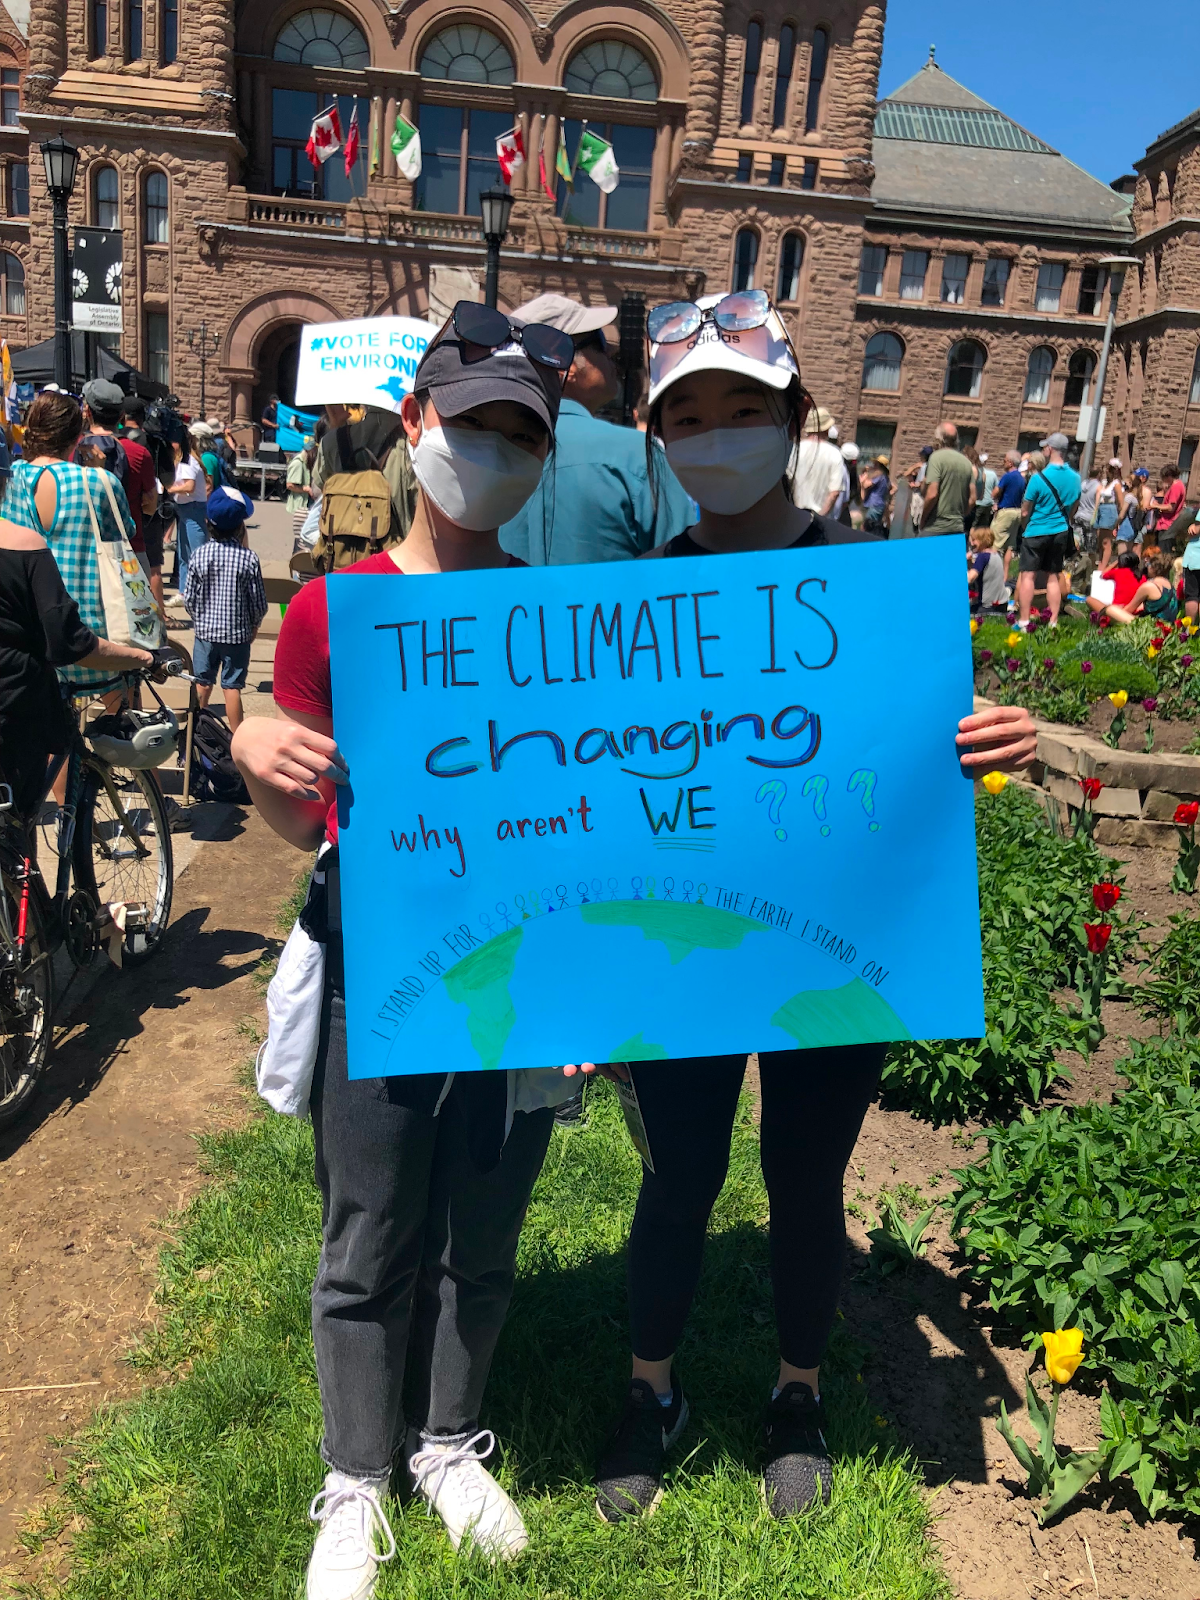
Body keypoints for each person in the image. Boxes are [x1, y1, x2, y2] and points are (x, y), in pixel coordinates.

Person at [565, 290, 1036, 1527]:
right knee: (678, 1175)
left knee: (806, 1174)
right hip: (685, 943)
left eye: (742, 408)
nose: (714, 435)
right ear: (658, 438)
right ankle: (652, 1388)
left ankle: (797, 1392)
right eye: (687, 418)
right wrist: (586, 970)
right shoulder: (630, 607)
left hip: (832, 941)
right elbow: (597, 797)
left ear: (795, 416)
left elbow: (923, 743)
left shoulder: (876, 589)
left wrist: (988, 738)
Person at [231, 318, 582, 1596]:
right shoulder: (333, 612)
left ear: (542, 459)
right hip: (379, 964)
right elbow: (306, 820)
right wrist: (255, 747)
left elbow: (596, 816)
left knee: (482, 1224)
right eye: (471, 422)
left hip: (519, 973)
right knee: (369, 1227)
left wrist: (587, 989)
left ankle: (445, 1442)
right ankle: (356, 1473)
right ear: (417, 423)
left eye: (519, 435)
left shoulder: (559, 622)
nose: (491, 451)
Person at [499, 292, 694, 564]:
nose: (612, 352)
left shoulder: (485, 453)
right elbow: (688, 573)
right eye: (599, 342)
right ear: (563, 364)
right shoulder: (639, 458)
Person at [0, 515, 158, 818]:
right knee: (16, 823)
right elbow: (68, 642)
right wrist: (144, 658)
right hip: (14, 709)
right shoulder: (24, 545)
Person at [1, 391, 147, 702]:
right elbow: (125, 532)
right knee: (118, 709)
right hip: (91, 636)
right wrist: (101, 470)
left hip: (29, 638)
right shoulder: (97, 482)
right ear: (76, 435)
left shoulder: (12, 479)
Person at [183, 485, 266, 733]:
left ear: (208, 523)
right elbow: (258, 602)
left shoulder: (199, 555)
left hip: (205, 634)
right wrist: (253, 625)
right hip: (237, 635)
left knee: (202, 683)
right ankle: (236, 737)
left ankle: (195, 731)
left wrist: (199, 619)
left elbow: (190, 598)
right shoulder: (248, 559)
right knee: (232, 687)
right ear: (241, 526)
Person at [1014, 433, 1079, 628]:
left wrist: (1024, 527)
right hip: (1060, 531)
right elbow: (1074, 506)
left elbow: (1025, 511)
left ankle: (1024, 620)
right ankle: (1053, 621)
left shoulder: (1038, 478)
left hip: (1036, 530)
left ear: (1050, 449)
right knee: (1053, 576)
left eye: (1045, 447)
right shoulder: (1076, 478)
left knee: (1028, 575)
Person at [167, 432, 208, 596]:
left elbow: (189, 486)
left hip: (193, 509)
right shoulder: (185, 461)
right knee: (184, 554)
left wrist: (170, 489)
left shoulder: (188, 462)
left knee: (197, 554)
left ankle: (201, 592)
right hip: (185, 509)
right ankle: (184, 591)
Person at [920, 422, 975, 536]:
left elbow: (932, 495)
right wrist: (960, 517)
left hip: (935, 527)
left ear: (938, 439)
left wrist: (923, 519)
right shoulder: (967, 463)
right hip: (957, 527)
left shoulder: (936, 457)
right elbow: (973, 499)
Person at [790, 406, 843, 517]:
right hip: (820, 517)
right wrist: (819, 518)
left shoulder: (794, 449)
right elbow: (834, 493)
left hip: (794, 515)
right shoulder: (834, 453)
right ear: (827, 429)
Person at [991, 449, 1026, 581]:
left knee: (995, 543)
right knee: (1009, 547)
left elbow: (995, 492)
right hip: (1017, 512)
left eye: (1004, 460)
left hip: (1005, 512)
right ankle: (1005, 576)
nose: (1003, 463)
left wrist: (994, 495)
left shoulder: (1007, 476)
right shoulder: (1021, 478)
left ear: (1010, 463)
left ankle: (992, 575)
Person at [1094, 460, 1125, 572]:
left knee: (1106, 541)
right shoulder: (1105, 483)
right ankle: (1100, 562)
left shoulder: (1116, 484)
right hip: (1101, 510)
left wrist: (1119, 520)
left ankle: (1103, 567)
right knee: (1100, 540)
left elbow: (1121, 503)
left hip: (1109, 511)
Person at [968, 525, 1008, 613]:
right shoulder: (996, 554)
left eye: (974, 540)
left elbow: (969, 578)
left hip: (988, 606)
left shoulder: (982, 557)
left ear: (982, 540)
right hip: (1002, 604)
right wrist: (969, 562)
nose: (972, 543)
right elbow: (982, 572)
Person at [286, 435, 316, 542]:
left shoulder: (307, 461)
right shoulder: (298, 463)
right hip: (300, 505)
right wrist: (305, 489)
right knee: (300, 536)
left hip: (306, 503)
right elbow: (289, 485)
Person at [1150, 464, 1185, 545]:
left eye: (1164, 477)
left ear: (1169, 476)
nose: (1163, 480)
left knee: (1163, 551)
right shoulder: (1177, 485)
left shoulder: (1176, 487)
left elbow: (1170, 508)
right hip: (1166, 525)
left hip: (1167, 525)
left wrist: (1155, 506)